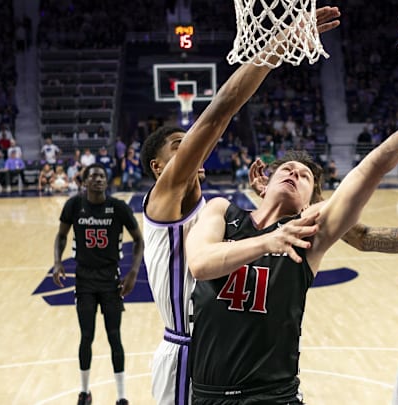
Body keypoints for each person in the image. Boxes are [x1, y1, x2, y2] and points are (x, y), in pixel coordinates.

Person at [184, 45, 398, 405]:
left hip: (272, 396)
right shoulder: (223, 211)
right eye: (287, 169)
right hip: (205, 393)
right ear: (262, 183)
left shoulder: (309, 235)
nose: (295, 173)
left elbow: (374, 165)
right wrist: (270, 240)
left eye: (304, 178)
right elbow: (200, 264)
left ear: (312, 202)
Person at [138, 7, 342, 405]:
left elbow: (249, 233)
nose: (193, 146)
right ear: (159, 167)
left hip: (223, 354)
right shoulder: (164, 202)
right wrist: (277, 46)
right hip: (185, 353)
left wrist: (265, 197)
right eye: (180, 146)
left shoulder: (215, 208)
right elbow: (219, 113)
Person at [52, 163, 144, 405]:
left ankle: (122, 396)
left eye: (102, 176)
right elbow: (61, 235)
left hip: (110, 280)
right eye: (93, 176)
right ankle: (84, 392)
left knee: (115, 336)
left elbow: (139, 241)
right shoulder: (74, 205)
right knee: (86, 336)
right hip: (84, 280)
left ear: (106, 180)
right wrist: (57, 262)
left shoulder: (118, 208)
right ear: (85, 181)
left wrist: (133, 272)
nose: (98, 179)